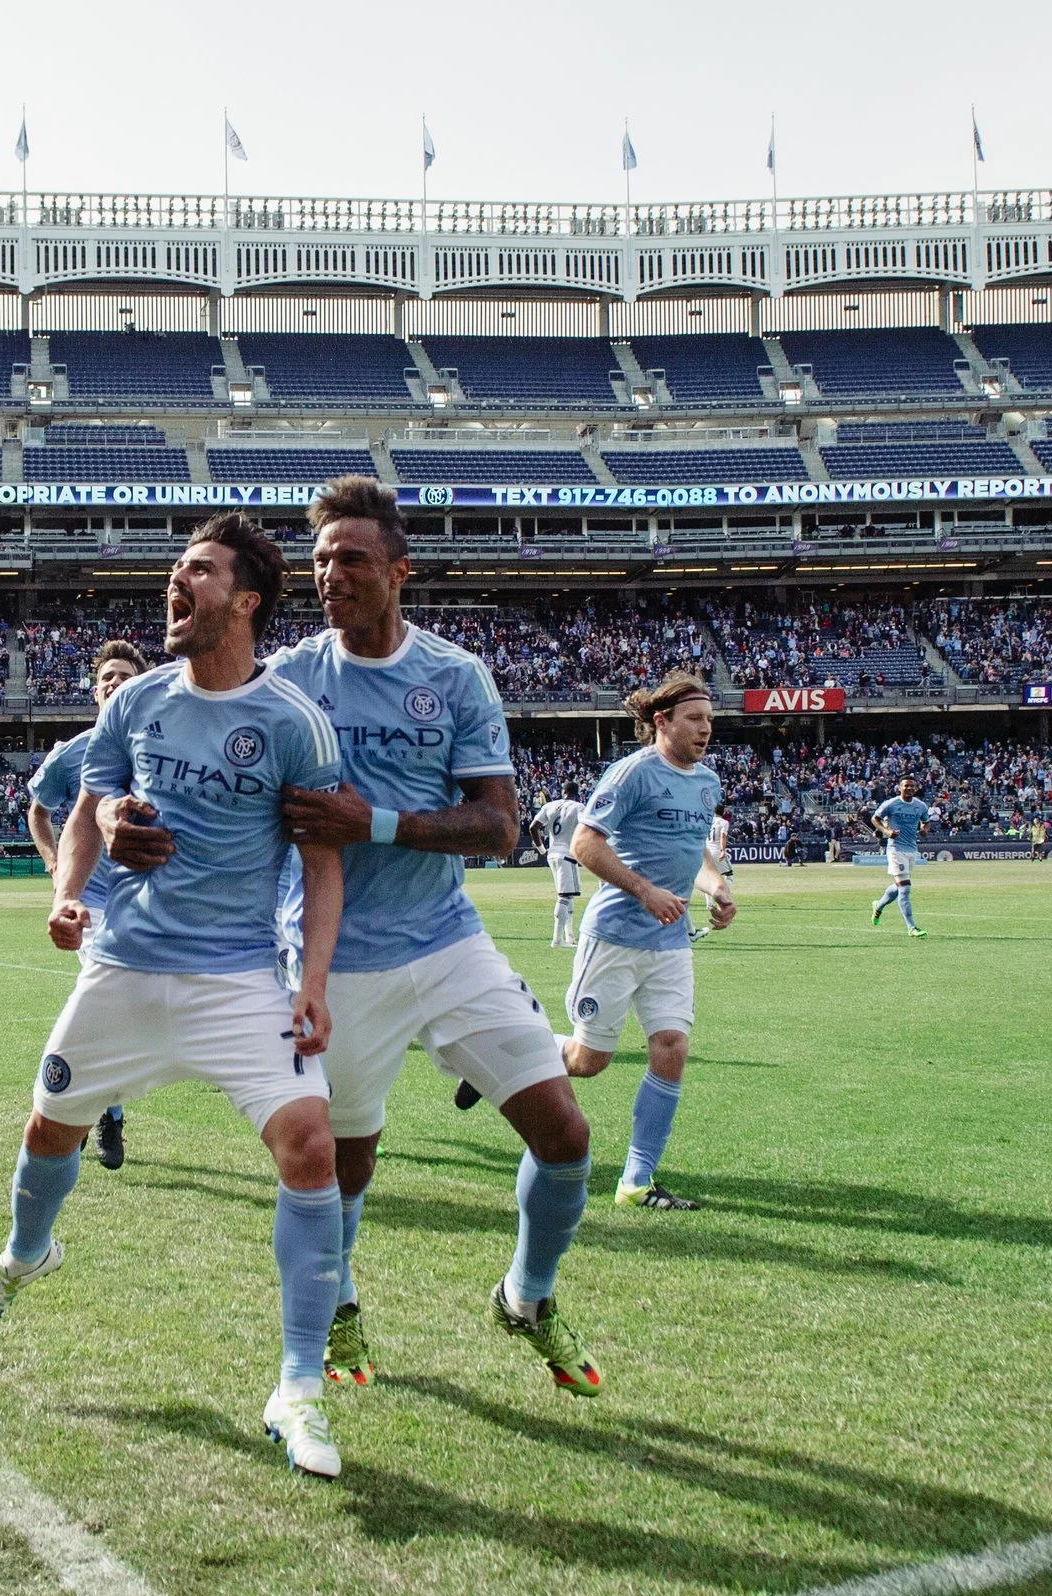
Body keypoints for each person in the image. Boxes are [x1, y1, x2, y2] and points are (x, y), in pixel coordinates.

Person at [0, 515, 356, 1481]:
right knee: (49, 1128)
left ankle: (298, 1386)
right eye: (177, 568)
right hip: (126, 967)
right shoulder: (133, 703)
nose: (176, 581)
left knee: (311, 1144)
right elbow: (93, 800)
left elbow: (322, 858)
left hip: (237, 979)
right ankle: (24, 1256)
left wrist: (309, 981)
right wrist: (79, 874)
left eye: (199, 571)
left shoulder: (294, 721)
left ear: (246, 601)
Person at [267, 475, 601, 1398]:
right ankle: (337, 1303)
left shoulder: (453, 676)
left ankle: (526, 1296)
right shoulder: (290, 678)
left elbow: (497, 826)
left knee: (564, 1133)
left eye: (353, 559)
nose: (332, 574)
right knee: (347, 1161)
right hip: (333, 961)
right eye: (322, 559)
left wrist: (369, 821)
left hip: (448, 944)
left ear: (399, 570)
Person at [560, 671, 735, 1212]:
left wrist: (716, 886)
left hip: (670, 942)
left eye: (710, 719)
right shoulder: (632, 774)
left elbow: (694, 850)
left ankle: (636, 1181)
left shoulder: (707, 783)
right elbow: (584, 843)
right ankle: (502, 1057)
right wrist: (643, 890)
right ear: (662, 722)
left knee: (672, 1048)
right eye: (695, 719)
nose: (706, 729)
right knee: (589, 1060)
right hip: (615, 936)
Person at [24, 639, 149, 1170]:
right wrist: (57, 868)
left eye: (126, 675)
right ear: (96, 690)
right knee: (109, 1009)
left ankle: (79, 1107)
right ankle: (105, 1118)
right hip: (95, 911)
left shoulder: (161, 750)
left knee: (130, 1016)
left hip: (150, 906)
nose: (116, 682)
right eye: (108, 677)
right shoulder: (71, 754)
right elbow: (39, 811)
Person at [869, 777, 936, 937]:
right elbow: (875, 819)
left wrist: (924, 830)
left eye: (912, 786)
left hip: (911, 848)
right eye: (906, 786)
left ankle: (878, 905)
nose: (909, 788)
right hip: (895, 849)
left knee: (898, 886)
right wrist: (886, 832)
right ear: (900, 788)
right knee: (905, 888)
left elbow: (926, 822)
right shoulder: (891, 804)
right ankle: (911, 927)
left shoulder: (920, 806)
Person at [530, 791, 587, 948]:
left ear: (564, 792)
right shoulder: (579, 807)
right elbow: (587, 826)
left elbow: (533, 827)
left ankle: (569, 936)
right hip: (567, 854)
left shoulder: (550, 805)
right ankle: (557, 939)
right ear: (577, 794)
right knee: (564, 896)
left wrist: (542, 850)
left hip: (552, 854)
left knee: (567, 895)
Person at [690, 809, 733, 944]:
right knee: (730, 875)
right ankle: (721, 896)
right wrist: (723, 850)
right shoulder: (723, 822)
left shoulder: (707, 820)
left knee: (707, 877)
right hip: (715, 850)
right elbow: (723, 836)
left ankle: (709, 904)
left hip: (705, 849)